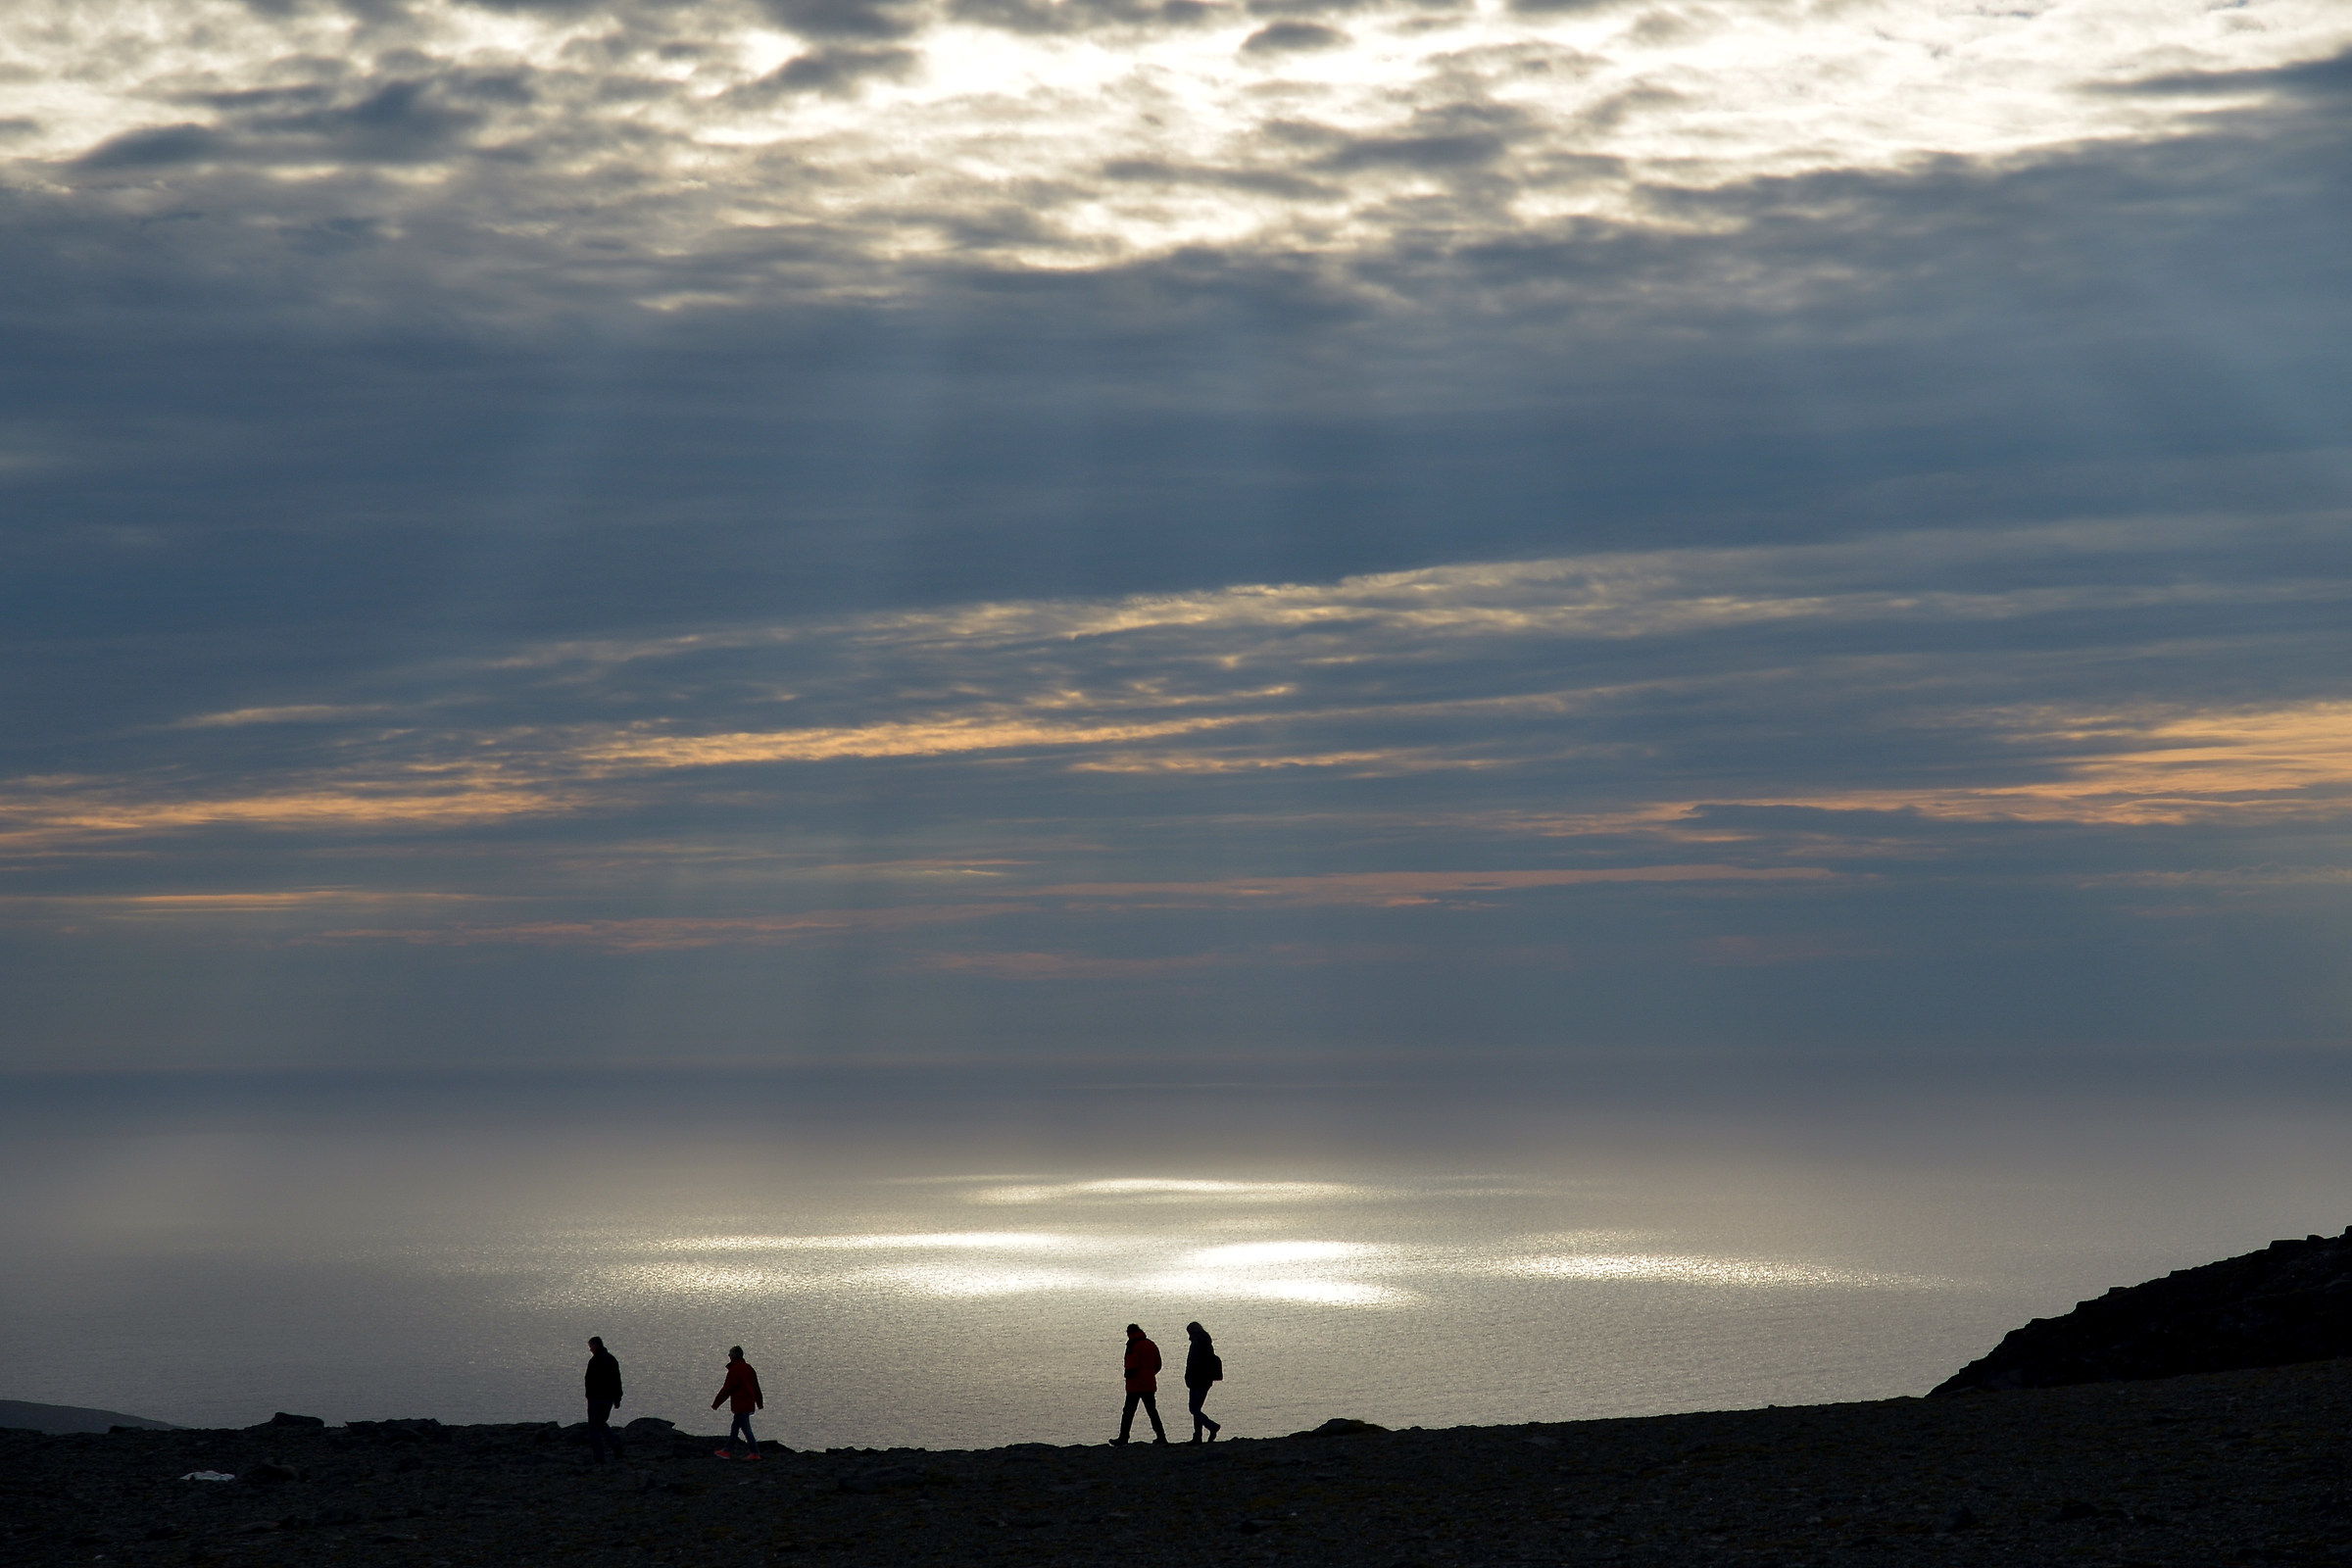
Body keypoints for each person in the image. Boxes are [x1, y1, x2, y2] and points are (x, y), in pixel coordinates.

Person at [1113, 1323, 1168, 1446]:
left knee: (1128, 1412)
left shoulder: (1132, 1346)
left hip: (1135, 1385)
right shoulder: (1150, 1344)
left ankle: (1123, 1438)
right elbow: (1158, 1364)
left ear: (1130, 1333)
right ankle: (1161, 1437)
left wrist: (1127, 1375)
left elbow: (1131, 1366)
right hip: (1149, 1384)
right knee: (1152, 1411)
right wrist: (1149, 1374)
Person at [710, 1345, 764, 1459]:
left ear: (734, 1356)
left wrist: (716, 1404)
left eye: (730, 1354)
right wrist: (759, 1403)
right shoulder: (749, 1368)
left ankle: (755, 1453)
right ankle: (727, 1451)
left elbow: (727, 1389)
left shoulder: (735, 1371)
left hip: (741, 1405)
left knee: (746, 1430)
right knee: (735, 1428)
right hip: (747, 1404)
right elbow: (756, 1387)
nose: (728, 1355)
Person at [584, 1336, 625, 1462]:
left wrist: (589, 1395)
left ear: (596, 1345)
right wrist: (617, 1398)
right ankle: (615, 1445)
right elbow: (617, 1380)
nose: (590, 1349)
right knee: (601, 1423)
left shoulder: (595, 1361)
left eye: (591, 1346)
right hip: (608, 1399)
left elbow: (588, 1379)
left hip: (596, 1399)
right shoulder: (612, 1360)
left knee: (594, 1428)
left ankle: (599, 1456)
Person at [1183, 1320, 1222, 1443]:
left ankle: (1211, 1427)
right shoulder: (1205, 1342)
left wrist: (1188, 1376)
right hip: (1205, 1379)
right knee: (1196, 1408)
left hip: (1198, 1379)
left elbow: (1193, 1363)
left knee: (1194, 1409)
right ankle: (1198, 1436)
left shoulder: (1197, 1343)